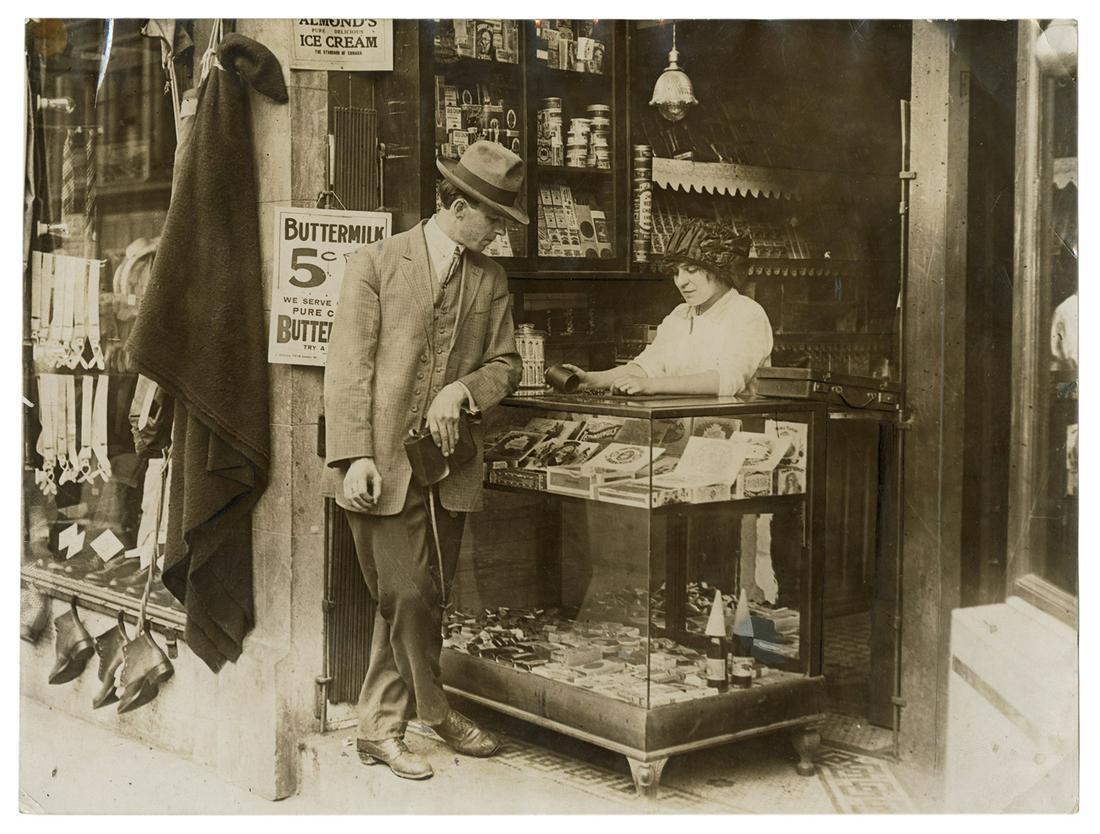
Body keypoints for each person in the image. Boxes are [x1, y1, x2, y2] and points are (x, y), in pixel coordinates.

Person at [323, 141, 525, 781]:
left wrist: (459, 391)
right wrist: (352, 456)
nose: (497, 234)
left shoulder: (489, 280)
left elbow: (507, 364)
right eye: (493, 219)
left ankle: (379, 730)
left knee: (422, 598)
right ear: (459, 206)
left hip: (448, 466)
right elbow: (348, 367)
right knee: (406, 594)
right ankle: (436, 713)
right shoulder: (376, 264)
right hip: (377, 466)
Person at [565, 219, 772, 396]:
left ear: (720, 270)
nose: (681, 281)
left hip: (733, 431)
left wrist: (652, 386)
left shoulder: (746, 313)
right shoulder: (679, 316)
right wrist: (589, 380)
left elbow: (728, 380)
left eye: (691, 270)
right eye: (676, 272)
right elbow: (647, 367)